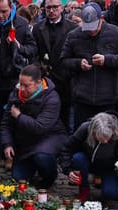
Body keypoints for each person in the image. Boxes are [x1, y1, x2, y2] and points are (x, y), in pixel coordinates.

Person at [61, 2, 118, 128]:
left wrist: (106, 60)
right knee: (82, 136)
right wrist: (78, 63)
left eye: (94, 27)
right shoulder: (73, 35)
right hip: (82, 98)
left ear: (101, 19)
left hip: (108, 98)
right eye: (88, 27)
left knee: (106, 137)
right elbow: (64, 60)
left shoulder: (117, 33)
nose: (91, 31)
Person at [0, 64, 68, 188]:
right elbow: (6, 123)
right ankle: (31, 168)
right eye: (20, 84)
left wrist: (19, 116)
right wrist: (7, 144)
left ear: (38, 83)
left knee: (42, 157)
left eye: (26, 85)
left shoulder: (52, 98)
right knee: (18, 178)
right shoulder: (15, 94)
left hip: (49, 137)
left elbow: (40, 127)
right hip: (25, 143)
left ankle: (49, 176)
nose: (21, 88)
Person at [62, 112, 118, 203]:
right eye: (100, 138)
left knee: (111, 194)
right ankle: (84, 188)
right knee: (78, 158)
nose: (105, 141)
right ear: (93, 132)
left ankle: (115, 186)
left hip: (110, 168)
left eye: (107, 138)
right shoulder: (85, 129)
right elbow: (67, 148)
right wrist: (68, 170)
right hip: (88, 161)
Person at [32, 0, 78, 129]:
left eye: (55, 7)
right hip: (44, 78)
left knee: (64, 115)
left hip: (65, 78)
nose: (51, 11)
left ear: (62, 8)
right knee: (45, 113)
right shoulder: (37, 28)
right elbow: (34, 52)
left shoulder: (72, 28)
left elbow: (75, 53)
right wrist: (38, 70)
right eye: (48, 8)